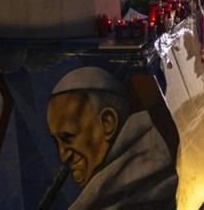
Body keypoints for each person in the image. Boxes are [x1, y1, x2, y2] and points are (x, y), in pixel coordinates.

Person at [45, 67, 177, 209]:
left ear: (108, 122)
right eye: (57, 142)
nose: (63, 156)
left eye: (68, 138)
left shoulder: (157, 159)